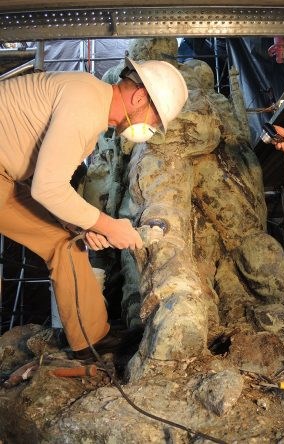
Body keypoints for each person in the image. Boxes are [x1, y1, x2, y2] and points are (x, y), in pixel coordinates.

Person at [0, 58, 188, 359]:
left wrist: (86, 225)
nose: (150, 129)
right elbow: (47, 188)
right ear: (139, 97)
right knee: (61, 241)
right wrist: (109, 226)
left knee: (65, 239)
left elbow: (47, 182)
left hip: (8, 176)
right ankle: (89, 340)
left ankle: (91, 338)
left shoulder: (89, 102)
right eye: (153, 121)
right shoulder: (85, 105)